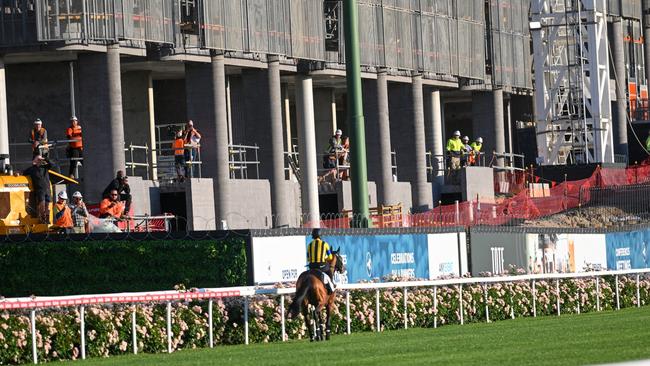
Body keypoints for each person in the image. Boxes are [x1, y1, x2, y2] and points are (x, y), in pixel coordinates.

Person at [23, 155, 53, 224]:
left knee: (47, 206)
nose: (40, 161)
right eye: (38, 159)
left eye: (40, 160)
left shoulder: (45, 167)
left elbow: (52, 164)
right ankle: (43, 219)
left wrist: (45, 158)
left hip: (47, 189)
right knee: (42, 205)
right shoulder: (32, 169)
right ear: (35, 161)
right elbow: (24, 173)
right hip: (40, 190)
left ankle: (47, 220)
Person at [306, 228, 335, 293]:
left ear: (313, 236)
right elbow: (330, 257)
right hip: (322, 266)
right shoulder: (325, 244)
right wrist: (324, 259)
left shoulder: (309, 245)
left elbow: (308, 259)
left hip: (312, 266)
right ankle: (330, 287)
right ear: (320, 235)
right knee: (329, 272)